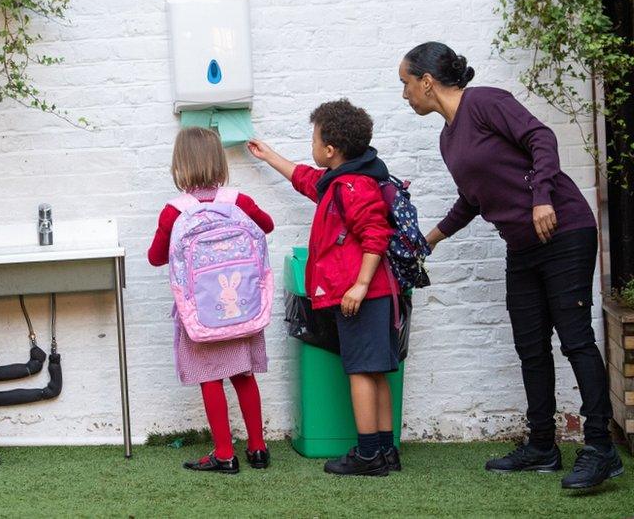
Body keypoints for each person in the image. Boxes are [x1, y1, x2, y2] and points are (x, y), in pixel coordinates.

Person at [399, 41, 622, 489]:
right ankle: (542, 445)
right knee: (530, 346)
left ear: (427, 81)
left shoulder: (484, 102)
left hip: (563, 230)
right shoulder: (448, 138)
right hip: (522, 246)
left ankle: (601, 449)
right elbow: (473, 199)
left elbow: (542, 137)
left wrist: (542, 198)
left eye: (405, 84)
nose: (404, 95)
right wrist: (429, 241)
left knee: (575, 339)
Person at [247, 100, 401, 476]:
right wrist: (269, 156)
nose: (311, 146)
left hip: (362, 296)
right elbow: (304, 178)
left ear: (330, 149)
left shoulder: (352, 186)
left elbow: (376, 236)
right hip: (370, 295)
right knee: (375, 370)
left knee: (362, 372)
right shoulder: (342, 180)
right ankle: (384, 450)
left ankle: (367, 456)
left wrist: (360, 286)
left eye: (313, 139)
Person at [148, 127, 274, 474]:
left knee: (210, 379)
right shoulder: (239, 202)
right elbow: (267, 225)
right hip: (243, 312)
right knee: (244, 376)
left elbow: (156, 257)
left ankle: (224, 453)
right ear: (219, 161)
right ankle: (258, 449)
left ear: (180, 166)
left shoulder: (174, 212)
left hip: (202, 315)